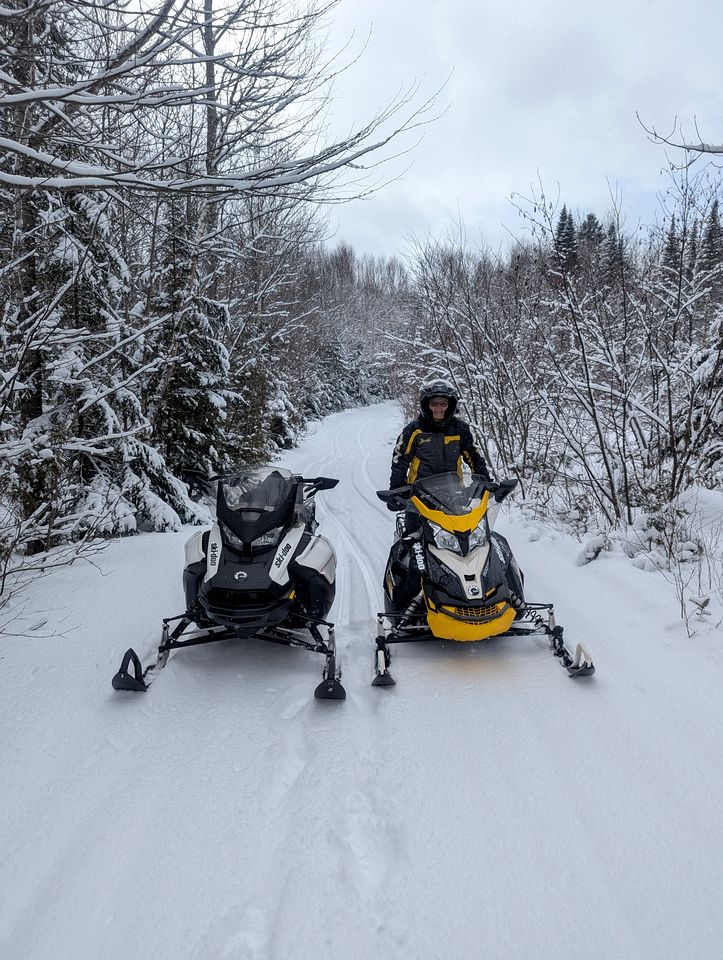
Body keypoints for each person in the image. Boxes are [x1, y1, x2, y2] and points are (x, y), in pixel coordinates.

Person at [388, 378, 491, 529]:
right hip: (419, 497)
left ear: (450, 406)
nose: (438, 408)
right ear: (426, 405)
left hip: (454, 494)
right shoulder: (415, 430)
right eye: (434, 404)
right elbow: (400, 460)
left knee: (467, 536)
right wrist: (396, 490)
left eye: (443, 404)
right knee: (411, 540)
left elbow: (475, 456)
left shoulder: (460, 429)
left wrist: (485, 482)